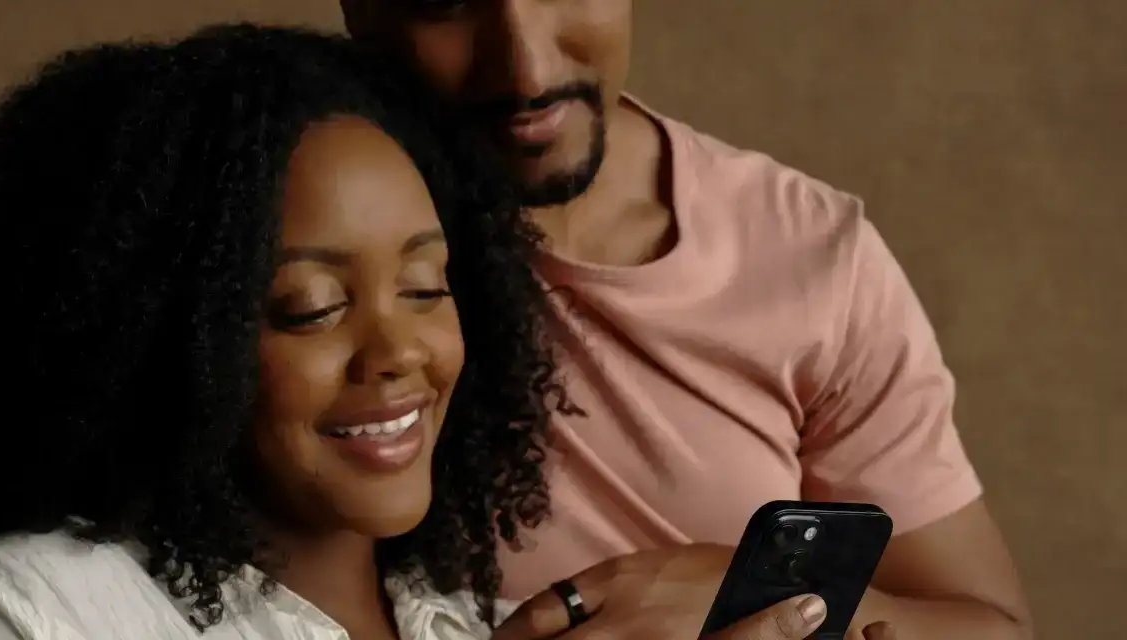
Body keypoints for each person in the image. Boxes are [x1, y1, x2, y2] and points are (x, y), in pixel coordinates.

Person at [340, 1, 1033, 638]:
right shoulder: (284, 235)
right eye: (448, 3)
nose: (529, 69)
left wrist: (748, 601)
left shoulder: (812, 258)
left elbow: (991, 626)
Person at [0, 24, 579, 639]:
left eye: (424, 288)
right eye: (312, 308)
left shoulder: (507, 625)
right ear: (160, 338)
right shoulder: (38, 608)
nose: (399, 350)